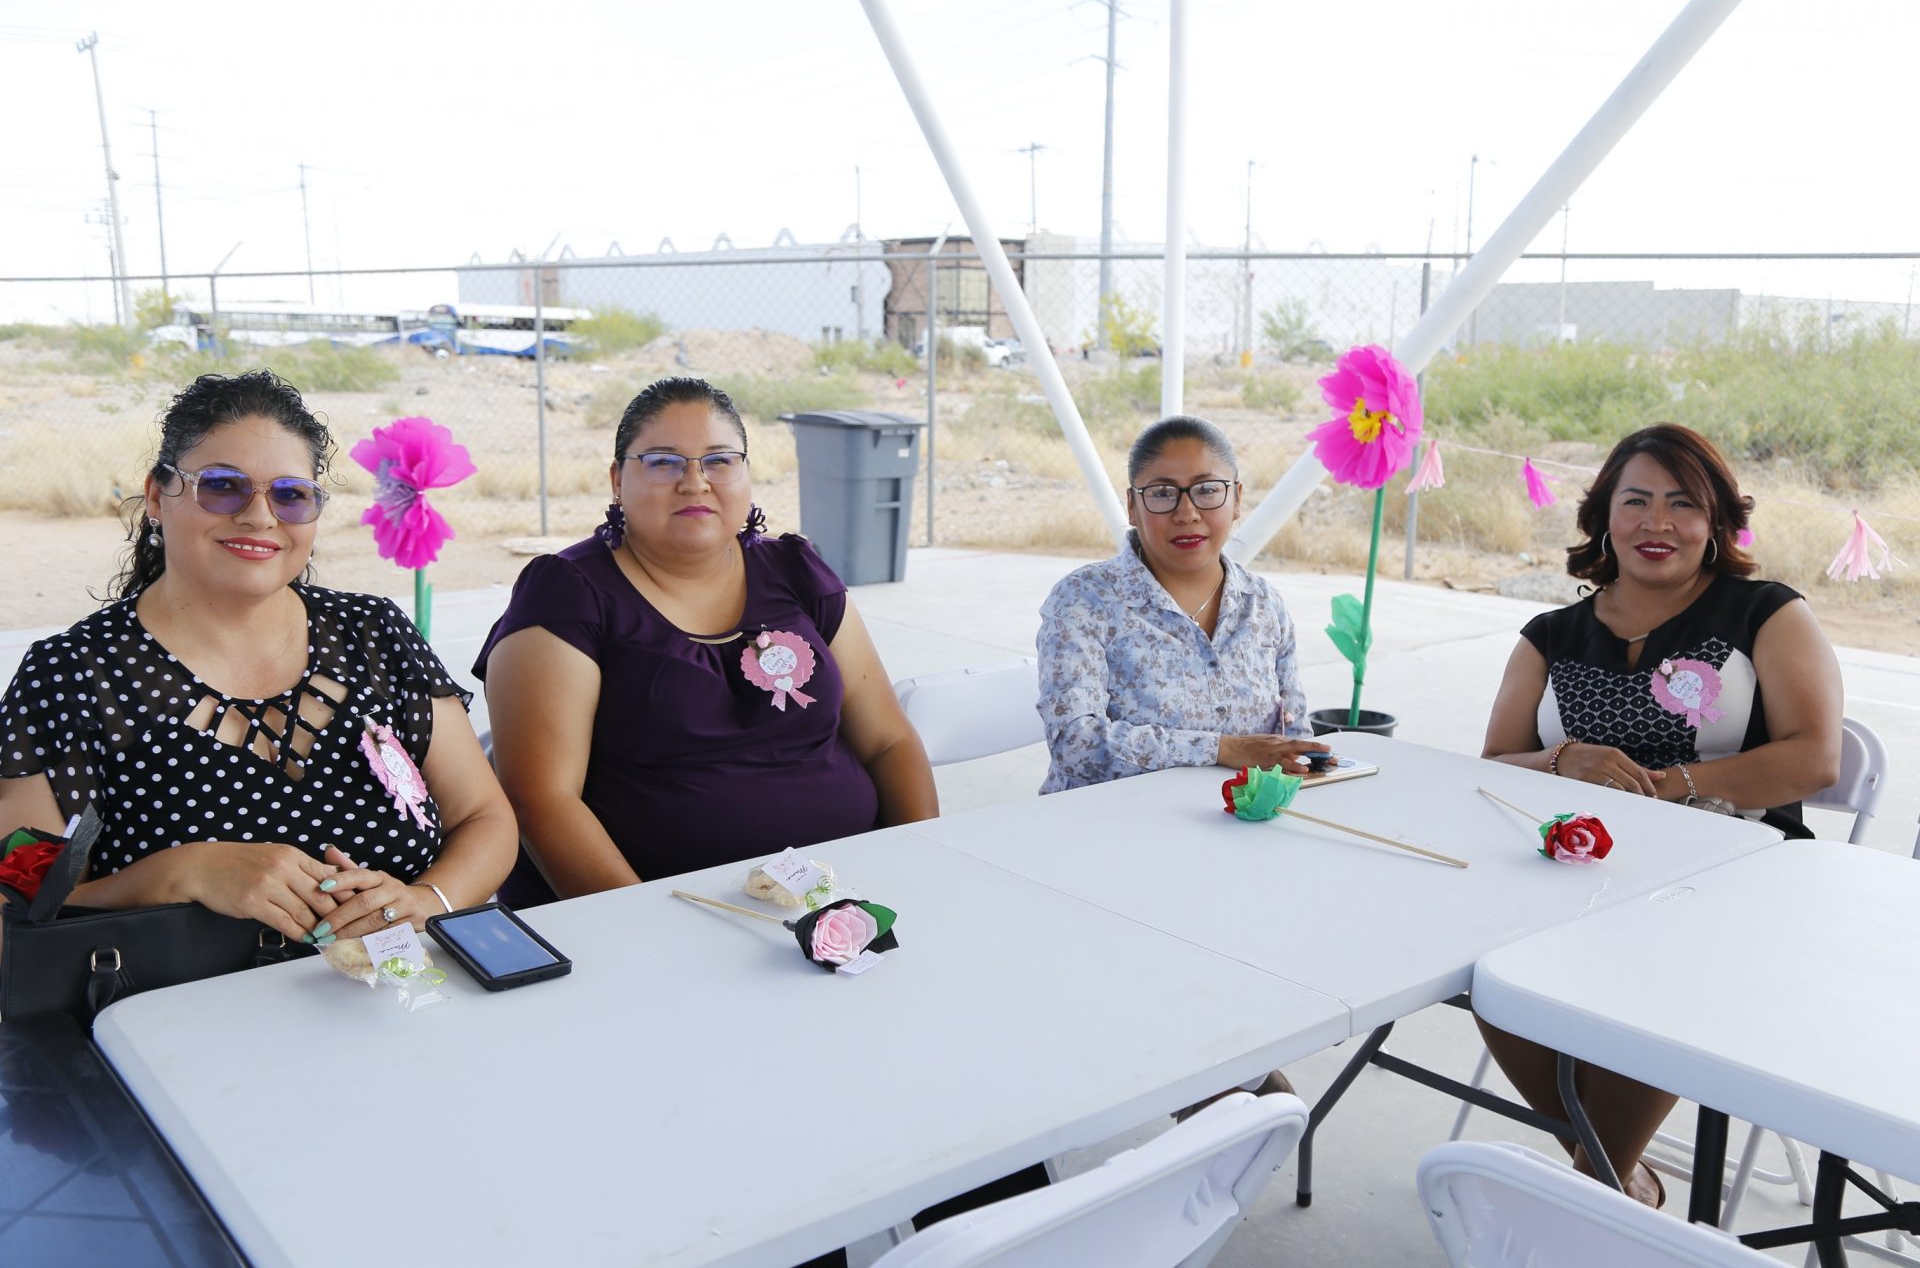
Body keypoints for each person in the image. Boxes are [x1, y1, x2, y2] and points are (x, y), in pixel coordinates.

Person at [0, 371, 516, 944]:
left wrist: (428, 901)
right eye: (223, 486)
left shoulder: (374, 634)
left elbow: (484, 818)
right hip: (177, 1000)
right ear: (157, 496)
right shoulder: (72, 675)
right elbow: (18, 901)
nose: (260, 516)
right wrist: (180, 873)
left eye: (291, 495)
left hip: (405, 985)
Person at [1477, 422, 1843, 1207]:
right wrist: (1560, 760)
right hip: (1578, 866)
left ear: (1716, 521)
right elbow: (1493, 764)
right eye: (1636, 500)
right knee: (1484, 963)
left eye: (1683, 504)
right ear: (1604, 516)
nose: (1658, 522)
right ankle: (1613, 1178)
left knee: (1668, 969)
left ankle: (1600, 1190)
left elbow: (1816, 757)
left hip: (1734, 869)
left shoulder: (1765, 613)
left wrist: (1674, 782)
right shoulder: (1551, 635)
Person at [474, 376, 936, 905]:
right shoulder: (568, 594)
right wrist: (645, 926)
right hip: (666, 910)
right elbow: (541, 800)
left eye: (719, 460)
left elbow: (888, 741)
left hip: (846, 892)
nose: (695, 482)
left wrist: (922, 862)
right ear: (618, 480)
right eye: (663, 462)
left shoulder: (795, 570)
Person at [1036, 415, 1328, 794]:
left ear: (1237, 499)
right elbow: (1074, 744)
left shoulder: (1263, 605)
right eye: (1162, 493)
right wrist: (1223, 749)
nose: (1187, 512)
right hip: (1106, 819)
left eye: (1207, 490)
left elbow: (1293, 736)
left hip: (1236, 820)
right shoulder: (1084, 600)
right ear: (1132, 506)